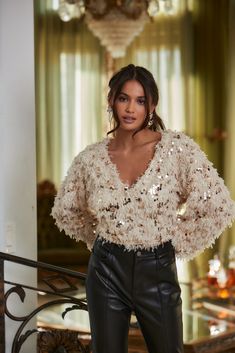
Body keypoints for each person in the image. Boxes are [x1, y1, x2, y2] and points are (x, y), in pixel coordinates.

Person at [51, 64, 235, 353]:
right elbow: (66, 210)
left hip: (157, 272)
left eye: (140, 100)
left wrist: (173, 239)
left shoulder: (177, 150)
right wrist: (102, 238)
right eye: (123, 98)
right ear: (112, 100)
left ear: (152, 105)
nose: (130, 108)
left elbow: (219, 206)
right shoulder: (91, 159)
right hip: (106, 271)